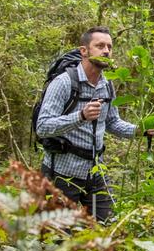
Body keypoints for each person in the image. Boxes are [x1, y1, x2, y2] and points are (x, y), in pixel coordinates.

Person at [36, 27, 146, 222]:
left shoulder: (107, 85)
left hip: (95, 172)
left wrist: (140, 131)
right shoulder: (64, 83)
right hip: (61, 174)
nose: (106, 51)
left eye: (109, 47)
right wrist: (81, 116)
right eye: (100, 46)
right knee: (56, 238)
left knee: (107, 230)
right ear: (84, 51)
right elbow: (43, 126)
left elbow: (112, 122)